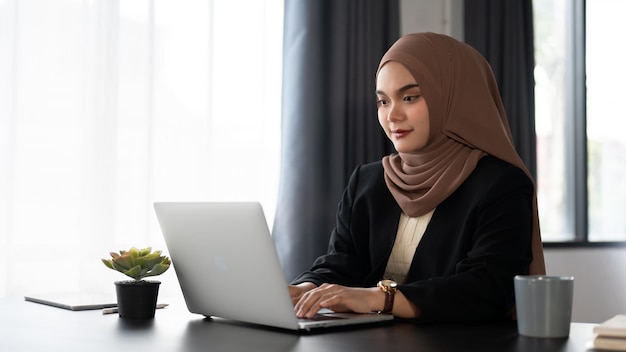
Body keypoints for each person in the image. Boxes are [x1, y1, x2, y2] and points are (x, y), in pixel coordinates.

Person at [288, 32, 546, 323]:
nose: (392, 115)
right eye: (383, 102)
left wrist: (379, 298)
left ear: (453, 98)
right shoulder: (369, 181)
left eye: (409, 97)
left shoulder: (501, 184)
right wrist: (304, 289)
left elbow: (488, 289)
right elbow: (342, 263)